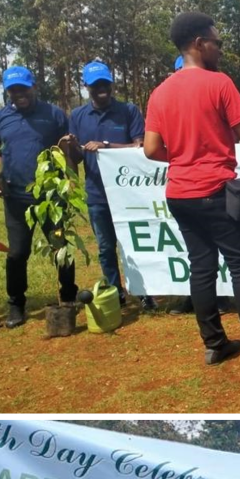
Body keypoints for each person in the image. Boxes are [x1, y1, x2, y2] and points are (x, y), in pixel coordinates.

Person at [144, 12, 240, 368]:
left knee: (201, 268)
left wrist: (183, 157)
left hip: (180, 194)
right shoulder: (219, 84)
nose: (220, 48)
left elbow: (152, 150)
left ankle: (214, 344)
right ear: (199, 43)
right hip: (216, 190)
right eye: (217, 41)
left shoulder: (160, 93)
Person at [0, 64, 70, 329]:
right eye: (13, 90)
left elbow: (65, 149)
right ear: (8, 92)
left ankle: (68, 298)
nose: (19, 94)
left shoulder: (54, 114)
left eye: (23, 88)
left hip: (50, 197)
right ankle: (16, 304)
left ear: (34, 86)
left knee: (61, 248)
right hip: (15, 198)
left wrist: (68, 180)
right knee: (17, 252)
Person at [64, 62, 145, 305]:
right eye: (96, 84)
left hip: (129, 194)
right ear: (86, 86)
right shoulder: (78, 116)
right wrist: (71, 146)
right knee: (105, 247)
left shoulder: (128, 111)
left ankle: (144, 292)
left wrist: (106, 145)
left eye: (105, 83)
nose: (102, 88)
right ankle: (115, 292)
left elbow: (139, 147)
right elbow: (77, 158)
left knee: (133, 244)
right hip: (97, 194)